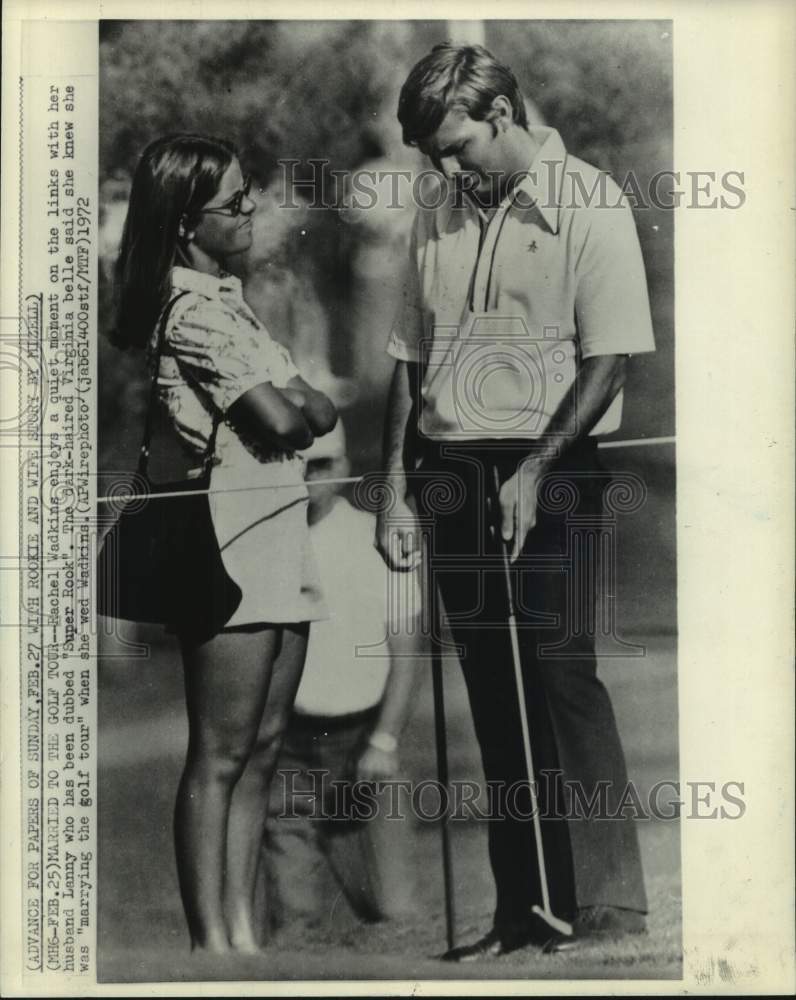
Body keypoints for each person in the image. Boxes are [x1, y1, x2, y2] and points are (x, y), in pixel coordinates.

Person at [375, 44, 655, 959]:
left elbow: (609, 359)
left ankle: (608, 906)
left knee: (560, 675)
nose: (446, 168)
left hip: (556, 460)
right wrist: (396, 491)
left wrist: (534, 469)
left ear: (500, 114)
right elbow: (409, 361)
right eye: (433, 156)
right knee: (493, 686)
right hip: (451, 466)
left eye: (456, 147)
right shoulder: (438, 206)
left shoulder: (591, 200)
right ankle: (523, 909)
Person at [112, 133, 337, 953]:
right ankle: (212, 941)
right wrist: (292, 399)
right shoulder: (191, 312)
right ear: (184, 223)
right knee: (219, 752)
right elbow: (289, 419)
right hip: (230, 543)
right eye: (233, 202)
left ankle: (244, 937)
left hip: (279, 536)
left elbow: (321, 411)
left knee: (264, 749)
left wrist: (295, 401)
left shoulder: (230, 303)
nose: (250, 211)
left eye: (248, 195)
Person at [265, 422, 421, 931]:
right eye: (297, 467)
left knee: (394, 912)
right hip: (287, 747)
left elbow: (407, 653)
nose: (308, 480)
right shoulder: (264, 544)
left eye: (321, 465)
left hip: (361, 745)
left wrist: (385, 740)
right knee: (293, 925)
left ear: (344, 467)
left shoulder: (377, 538)